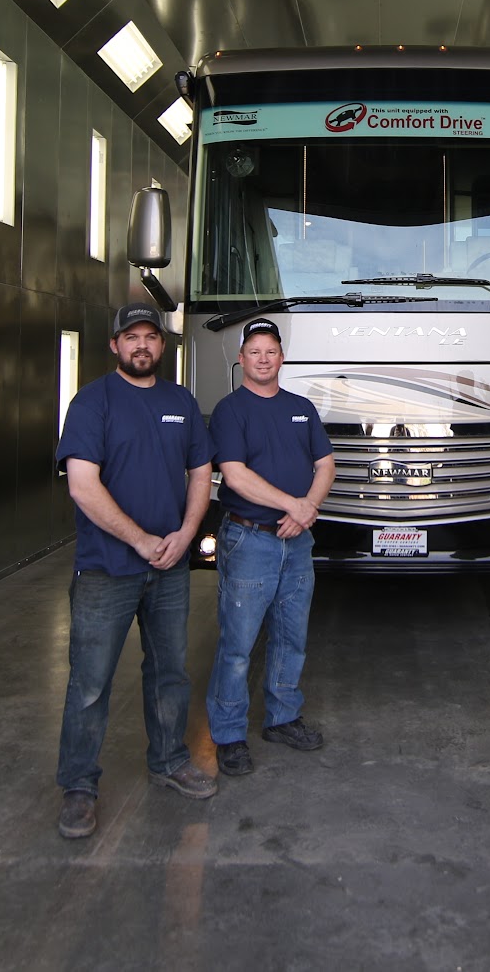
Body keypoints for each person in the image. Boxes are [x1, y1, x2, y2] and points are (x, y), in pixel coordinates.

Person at [52, 303, 218, 840]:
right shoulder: (92, 402)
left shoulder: (180, 401)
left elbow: (201, 473)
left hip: (169, 566)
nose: (141, 345)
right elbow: (83, 485)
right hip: (106, 569)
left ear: (162, 346)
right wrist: (141, 540)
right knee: (90, 682)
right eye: (131, 337)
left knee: (170, 672)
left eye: (150, 336)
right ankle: (79, 786)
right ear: (115, 345)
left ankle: (169, 759)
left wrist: (186, 535)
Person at [204, 318, 335, 775]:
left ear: (282, 358)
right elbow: (235, 475)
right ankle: (228, 734)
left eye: (271, 351)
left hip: (297, 541)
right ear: (241, 359)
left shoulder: (301, 408)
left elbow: (326, 464)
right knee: (238, 644)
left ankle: (283, 717)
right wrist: (294, 505)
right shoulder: (230, 410)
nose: (263, 359)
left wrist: (307, 509)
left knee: (291, 637)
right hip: (249, 540)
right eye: (255, 351)